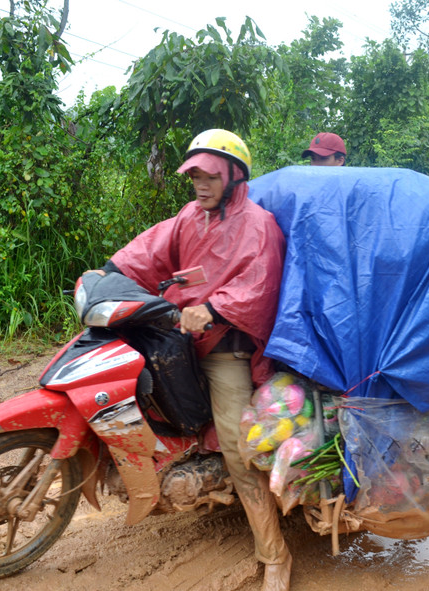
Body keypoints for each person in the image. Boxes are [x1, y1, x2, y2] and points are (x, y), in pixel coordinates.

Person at [92, 129, 292, 591]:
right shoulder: (189, 217)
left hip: (223, 349)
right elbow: (149, 250)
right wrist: (108, 272)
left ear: (234, 175)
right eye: (194, 176)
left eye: (209, 176)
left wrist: (215, 307)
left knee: (242, 452)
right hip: (176, 339)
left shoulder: (258, 224)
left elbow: (260, 284)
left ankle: (275, 553)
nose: (200, 185)